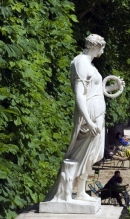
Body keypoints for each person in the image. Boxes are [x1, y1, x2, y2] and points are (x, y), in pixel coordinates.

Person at [45, 34, 125, 203]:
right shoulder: (81, 62)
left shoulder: (88, 64)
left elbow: (96, 90)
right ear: (95, 46)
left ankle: (81, 192)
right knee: (81, 154)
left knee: (89, 155)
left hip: (97, 112)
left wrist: (114, 87)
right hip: (90, 113)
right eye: (102, 48)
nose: (102, 52)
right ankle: (66, 193)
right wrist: (88, 120)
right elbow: (79, 95)